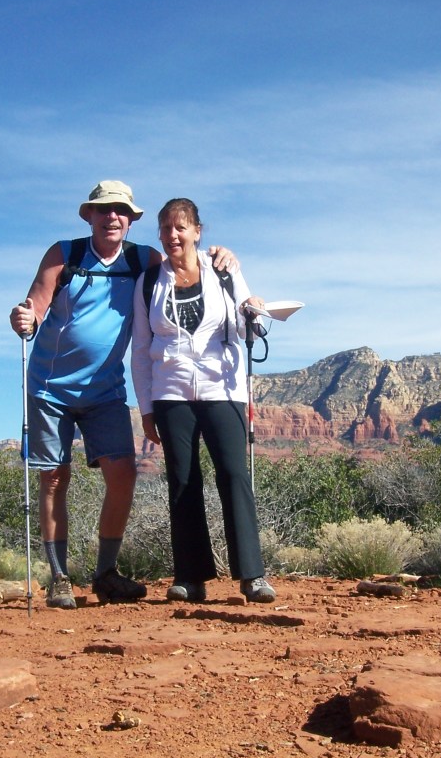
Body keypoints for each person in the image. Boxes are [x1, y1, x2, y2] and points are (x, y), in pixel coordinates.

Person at [9, 181, 236, 610]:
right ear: (90, 217)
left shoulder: (141, 260)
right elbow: (35, 305)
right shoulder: (64, 255)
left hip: (106, 391)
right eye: (103, 210)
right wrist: (24, 318)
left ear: (131, 220)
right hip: (49, 388)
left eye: (121, 211)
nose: (112, 217)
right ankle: (59, 577)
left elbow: (185, 260)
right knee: (54, 478)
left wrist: (221, 257)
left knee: (123, 475)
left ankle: (105, 573)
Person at [130, 198, 276, 604]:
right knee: (182, 480)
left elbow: (250, 323)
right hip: (170, 392)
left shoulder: (224, 270)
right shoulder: (148, 283)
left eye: (180, 227)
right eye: (165, 228)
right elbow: (140, 351)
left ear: (197, 231)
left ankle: (252, 575)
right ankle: (190, 577)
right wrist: (146, 409)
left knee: (233, 474)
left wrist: (255, 311)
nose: (172, 235)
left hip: (222, 389)